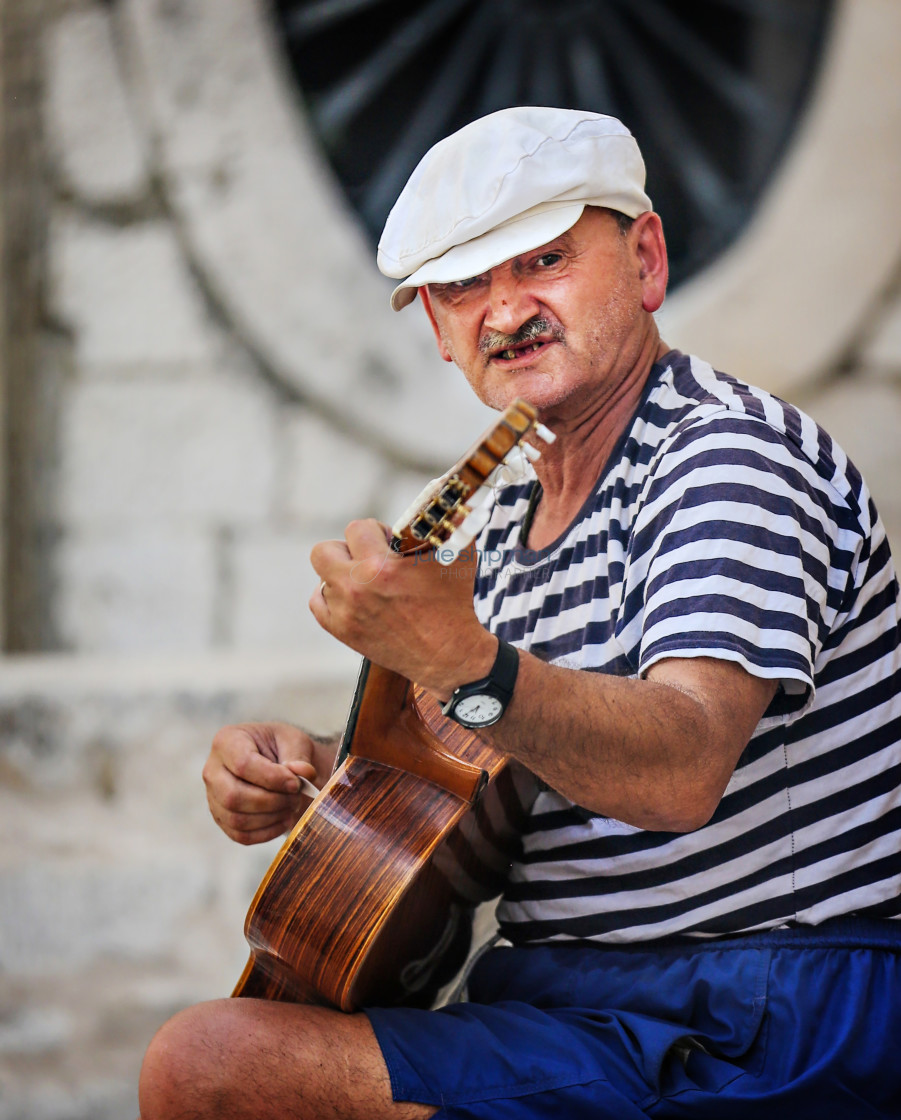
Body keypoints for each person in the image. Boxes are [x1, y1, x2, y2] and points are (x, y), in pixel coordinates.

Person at [138, 108, 901, 1119]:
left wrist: (462, 663)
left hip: (758, 1010)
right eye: (462, 287)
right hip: (579, 1000)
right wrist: (328, 779)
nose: (504, 312)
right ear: (437, 332)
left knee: (210, 1068)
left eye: (543, 260)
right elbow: (498, 771)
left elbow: (678, 766)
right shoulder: (507, 521)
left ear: (644, 259)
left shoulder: (724, 458)